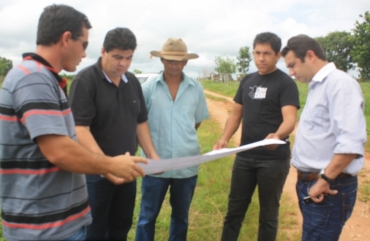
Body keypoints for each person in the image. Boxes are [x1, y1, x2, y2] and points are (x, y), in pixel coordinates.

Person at [0, 5, 147, 241]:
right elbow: (59, 151)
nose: (84, 54)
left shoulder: (42, 78)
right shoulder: (33, 78)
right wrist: (111, 165)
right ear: (66, 38)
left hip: (57, 224)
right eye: (84, 44)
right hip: (44, 228)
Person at [68, 27, 159, 240]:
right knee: (94, 229)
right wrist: (106, 168)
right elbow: (80, 129)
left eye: (128, 58)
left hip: (127, 170)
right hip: (94, 175)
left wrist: (152, 155)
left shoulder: (132, 82)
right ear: (103, 51)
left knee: (121, 226)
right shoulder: (86, 81)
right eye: (118, 57)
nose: (124, 64)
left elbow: (140, 122)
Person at [213, 32, 300, 241]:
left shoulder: (285, 83)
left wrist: (277, 135)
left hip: (273, 160)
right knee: (234, 211)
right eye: (257, 53)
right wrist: (224, 138)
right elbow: (236, 115)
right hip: (244, 156)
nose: (261, 58)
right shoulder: (247, 81)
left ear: (278, 55)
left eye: (267, 53)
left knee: (268, 214)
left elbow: (290, 119)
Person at [282, 34, 366, 241]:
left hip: (329, 186)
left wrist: (324, 179)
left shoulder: (339, 84)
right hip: (313, 183)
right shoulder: (318, 85)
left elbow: (350, 143)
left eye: (293, 65)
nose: (291, 73)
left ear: (310, 55)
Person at [135, 38, 209, 241]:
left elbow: (196, 122)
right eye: (169, 60)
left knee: (181, 217)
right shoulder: (148, 88)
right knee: (147, 217)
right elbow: (139, 123)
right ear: (162, 61)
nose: (174, 65)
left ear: (185, 62)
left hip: (186, 164)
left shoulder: (196, 88)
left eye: (178, 61)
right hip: (155, 164)